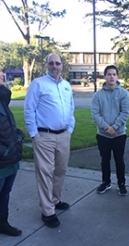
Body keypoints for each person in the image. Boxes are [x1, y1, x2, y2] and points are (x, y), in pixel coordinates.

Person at [24, 53, 75, 228]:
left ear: (62, 65)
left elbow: (71, 109)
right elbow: (29, 110)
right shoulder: (38, 84)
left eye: (57, 63)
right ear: (46, 65)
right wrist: (34, 135)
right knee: (45, 173)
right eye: (51, 63)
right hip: (44, 136)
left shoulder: (67, 86)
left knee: (60, 170)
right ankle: (47, 211)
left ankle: (55, 199)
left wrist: (69, 130)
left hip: (63, 136)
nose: (54, 66)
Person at [91, 65, 129, 196]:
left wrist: (114, 128)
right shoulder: (98, 95)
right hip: (102, 135)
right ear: (105, 76)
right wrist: (106, 128)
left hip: (119, 134)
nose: (112, 77)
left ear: (117, 76)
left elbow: (125, 112)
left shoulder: (124, 94)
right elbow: (95, 114)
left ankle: (121, 184)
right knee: (104, 160)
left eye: (114, 74)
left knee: (120, 160)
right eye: (109, 74)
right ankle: (106, 182)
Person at [0, 66, 24, 237]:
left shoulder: (2, 98)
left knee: (5, 193)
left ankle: (3, 223)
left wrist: (16, 136)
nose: (2, 74)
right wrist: (4, 150)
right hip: (2, 159)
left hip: (10, 159)